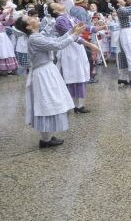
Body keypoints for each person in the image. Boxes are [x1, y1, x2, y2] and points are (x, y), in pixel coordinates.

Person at [15, 13, 86, 148]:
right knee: (46, 103)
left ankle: (47, 136)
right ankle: (45, 139)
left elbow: (56, 41)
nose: (35, 17)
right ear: (29, 26)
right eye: (31, 19)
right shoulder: (34, 39)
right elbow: (57, 45)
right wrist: (74, 34)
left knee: (51, 101)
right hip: (43, 73)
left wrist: (72, 31)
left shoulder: (37, 36)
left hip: (47, 70)